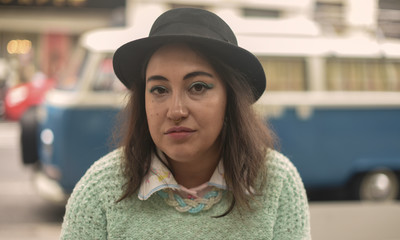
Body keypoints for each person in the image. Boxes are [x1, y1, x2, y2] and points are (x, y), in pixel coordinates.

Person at [60, 8, 311, 239]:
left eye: (198, 87)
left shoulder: (277, 182)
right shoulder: (100, 190)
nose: (176, 111)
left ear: (230, 98)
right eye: (159, 89)